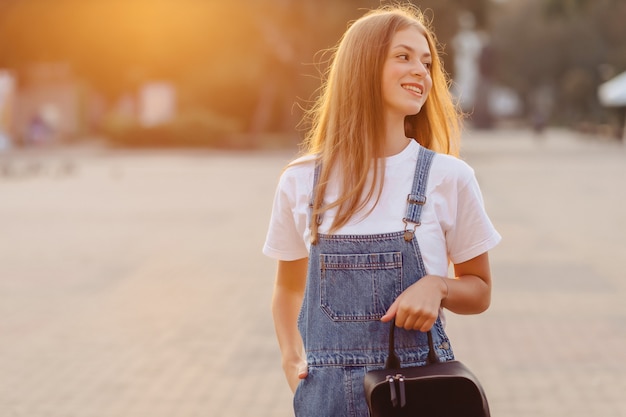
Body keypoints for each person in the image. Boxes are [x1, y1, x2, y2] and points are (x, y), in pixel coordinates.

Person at [262, 4, 501, 416]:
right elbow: (287, 287)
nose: (421, 72)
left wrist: (438, 286)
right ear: (362, 66)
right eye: (403, 57)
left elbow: (479, 289)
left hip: (416, 395)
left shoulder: (449, 177)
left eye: (427, 62)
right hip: (324, 400)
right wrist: (290, 356)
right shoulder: (300, 181)